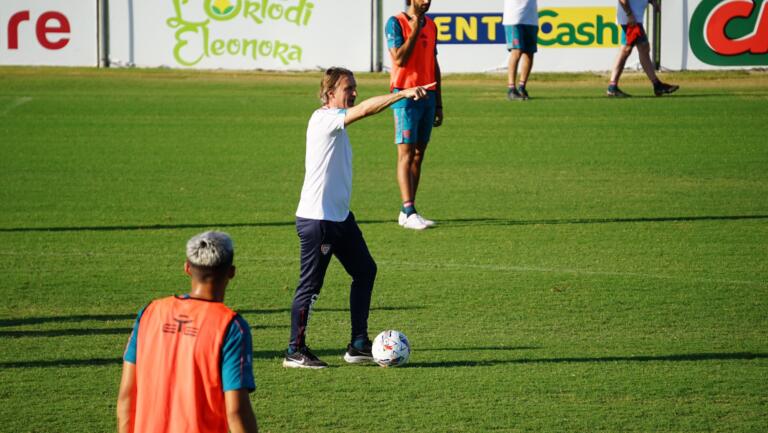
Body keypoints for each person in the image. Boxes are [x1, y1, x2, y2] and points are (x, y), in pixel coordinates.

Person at [284, 67, 431, 369]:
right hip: (319, 220)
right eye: (347, 88)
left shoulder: (335, 123)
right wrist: (400, 94)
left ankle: (358, 344)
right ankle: (294, 351)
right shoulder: (324, 119)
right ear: (328, 94)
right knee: (310, 287)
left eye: (354, 87)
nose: (353, 93)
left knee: (365, 271)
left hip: (340, 219)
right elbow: (364, 111)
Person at [117, 231, 259, 433]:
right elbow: (236, 411)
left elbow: (127, 395)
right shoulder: (230, 326)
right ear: (231, 272)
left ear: (187, 268)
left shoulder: (150, 313)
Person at [385, 0, 443, 230]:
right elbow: (399, 58)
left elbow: (433, 62)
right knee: (406, 153)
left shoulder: (432, 25)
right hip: (405, 97)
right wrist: (416, 26)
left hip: (428, 96)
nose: (426, 2)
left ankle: (407, 210)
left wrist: (439, 102)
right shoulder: (395, 23)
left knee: (419, 154)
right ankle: (409, 211)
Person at [607, 0, 679, 97]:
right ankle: (612, 87)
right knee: (627, 49)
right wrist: (629, 14)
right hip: (630, 19)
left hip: (634, 18)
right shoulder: (630, 16)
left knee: (641, 49)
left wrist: (653, 2)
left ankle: (657, 85)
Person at [503, 0, 539, 101]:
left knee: (529, 53)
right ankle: (511, 89)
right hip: (514, 17)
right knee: (517, 51)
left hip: (531, 18)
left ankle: (522, 87)